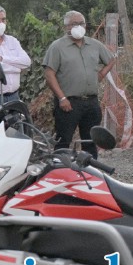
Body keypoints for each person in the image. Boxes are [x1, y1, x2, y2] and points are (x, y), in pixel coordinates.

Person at [43, 10, 116, 158]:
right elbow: (49, 74)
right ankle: (59, 173)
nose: (78, 26)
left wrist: (101, 74)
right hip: (68, 103)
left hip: (91, 102)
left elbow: (111, 60)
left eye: (81, 23)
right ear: (66, 27)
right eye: (74, 24)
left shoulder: (94, 44)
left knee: (90, 141)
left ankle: (90, 173)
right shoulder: (57, 47)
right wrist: (62, 98)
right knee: (63, 141)